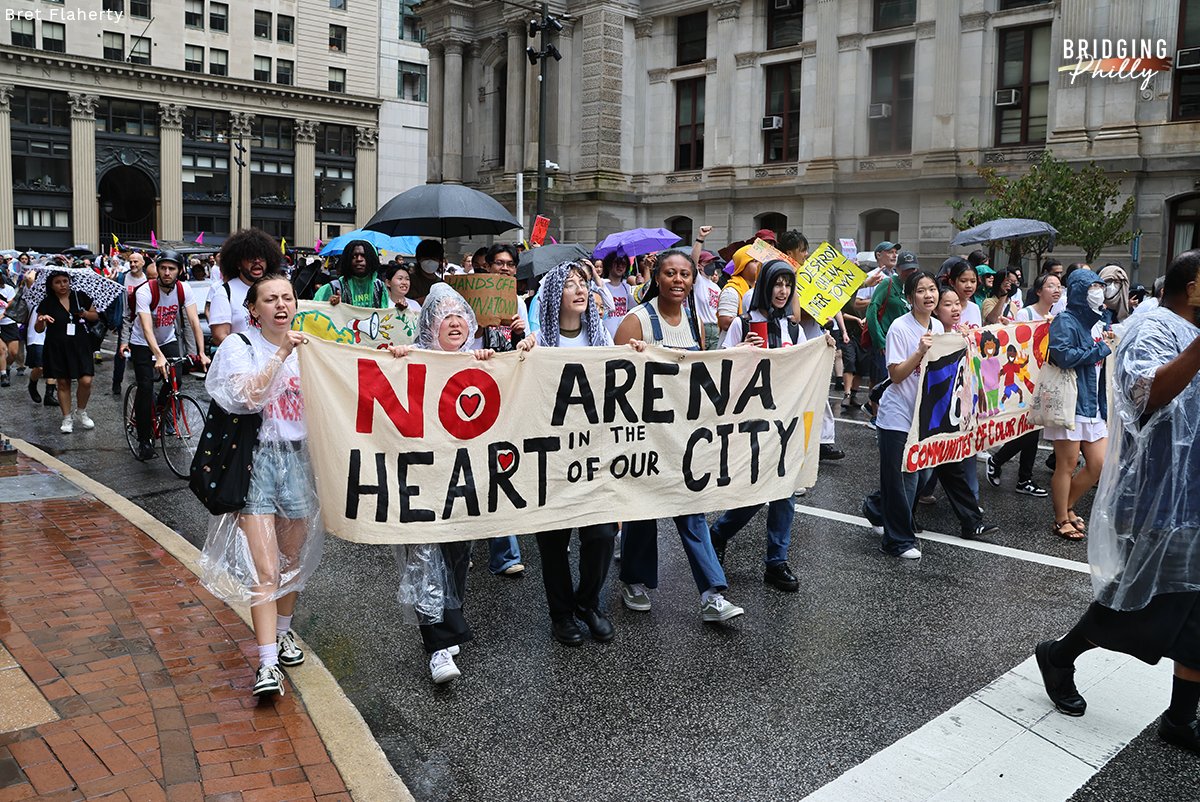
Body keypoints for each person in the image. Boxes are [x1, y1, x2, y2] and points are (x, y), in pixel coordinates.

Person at [1034, 249, 1200, 755]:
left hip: (1194, 495)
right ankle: (1060, 655)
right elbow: (1143, 397)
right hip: (1160, 499)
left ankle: (1178, 718)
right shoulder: (1152, 328)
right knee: (1137, 604)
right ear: (1193, 287)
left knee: (1195, 610)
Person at [386, 284, 533, 682]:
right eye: (443, 315)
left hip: (462, 480)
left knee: (455, 556)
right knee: (424, 557)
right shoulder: (409, 358)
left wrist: (496, 363)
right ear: (429, 323)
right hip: (419, 477)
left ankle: (449, 623)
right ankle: (437, 647)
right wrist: (394, 360)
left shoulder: (480, 360)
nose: (453, 322)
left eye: (459, 315)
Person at [200, 273, 324, 698]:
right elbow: (246, 397)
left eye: (288, 297)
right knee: (266, 569)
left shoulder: (312, 344)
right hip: (255, 463)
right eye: (270, 299)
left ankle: (285, 633)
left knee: (293, 561)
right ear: (253, 310)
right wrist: (281, 353)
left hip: (298, 458)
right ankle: (267, 663)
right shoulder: (239, 346)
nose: (281, 305)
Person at [614, 250, 745, 622]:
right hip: (645, 435)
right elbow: (612, 381)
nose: (677, 280)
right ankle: (635, 581)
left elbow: (701, 375)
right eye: (670, 273)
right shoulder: (636, 321)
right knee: (643, 510)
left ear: (693, 280)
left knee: (692, 510)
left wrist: (738, 355)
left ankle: (712, 593)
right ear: (657, 277)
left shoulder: (696, 323)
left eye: (684, 274)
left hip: (685, 436)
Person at [862, 271, 998, 558]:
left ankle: (876, 509)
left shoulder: (938, 324)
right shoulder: (900, 328)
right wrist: (920, 352)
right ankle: (897, 540)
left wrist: (961, 342)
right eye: (921, 291)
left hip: (925, 415)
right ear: (910, 298)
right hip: (897, 415)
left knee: (919, 475)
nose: (928, 295)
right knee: (906, 478)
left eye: (932, 289)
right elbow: (896, 375)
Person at [528, 260, 621, 646]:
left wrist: (635, 355)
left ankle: (589, 602)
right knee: (553, 540)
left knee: (600, 535)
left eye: (583, 283)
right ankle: (561, 614)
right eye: (569, 284)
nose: (580, 290)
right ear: (554, 296)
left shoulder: (601, 341)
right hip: (552, 457)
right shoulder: (540, 343)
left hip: (595, 454)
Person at [711, 260, 810, 592]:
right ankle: (720, 532)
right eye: (776, 284)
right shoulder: (743, 323)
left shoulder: (794, 328)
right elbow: (719, 368)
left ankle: (776, 561)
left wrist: (822, 349)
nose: (782, 291)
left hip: (784, 419)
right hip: (749, 420)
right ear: (764, 286)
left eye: (787, 285)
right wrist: (742, 352)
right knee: (756, 488)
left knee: (784, 489)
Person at [1045, 268, 1116, 540]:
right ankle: (1061, 518)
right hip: (1070, 401)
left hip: (1093, 403)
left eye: (1100, 286)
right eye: (1092, 288)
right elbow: (1062, 355)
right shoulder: (1065, 320)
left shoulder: (1097, 322)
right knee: (1067, 463)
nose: (1098, 292)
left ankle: (1068, 505)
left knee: (1098, 463)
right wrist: (1100, 349)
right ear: (1078, 291)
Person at [986, 272, 1062, 498]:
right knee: (1028, 429)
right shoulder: (1026, 313)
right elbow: (1013, 345)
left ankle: (1020, 475)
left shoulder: (1055, 316)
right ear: (1039, 291)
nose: (1057, 290)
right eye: (1051, 286)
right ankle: (1010, 469)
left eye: (1059, 286)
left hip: (1044, 379)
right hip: (1024, 378)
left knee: (1034, 428)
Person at [129, 251, 210, 461]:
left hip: (167, 339)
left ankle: (157, 410)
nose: (166, 272)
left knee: (177, 380)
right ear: (157, 269)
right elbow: (146, 329)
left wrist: (201, 352)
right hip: (142, 343)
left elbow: (194, 322)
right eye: (163, 268)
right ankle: (144, 440)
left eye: (171, 268)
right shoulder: (145, 291)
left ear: (180, 271)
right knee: (145, 387)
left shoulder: (184, 289)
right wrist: (158, 356)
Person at [34, 271, 100, 434]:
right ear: (51, 285)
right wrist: (41, 320)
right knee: (63, 382)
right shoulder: (47, 302)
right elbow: (38, 328)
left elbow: (95, 316)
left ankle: (81, 411)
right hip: (57, 346)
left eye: (65, 281)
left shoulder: (80, 296)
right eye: (58, 282)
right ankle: (66, 417)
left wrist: (83, 313)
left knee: (86, 380)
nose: (62, 285)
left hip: (81, 344)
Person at [209, 228, 281, 346]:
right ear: (238, 263)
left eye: (262, 257)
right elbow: (219, 336)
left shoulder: (276, 289)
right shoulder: (225, 293)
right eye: (251, 258)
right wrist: (245, 353)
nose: (257, 261)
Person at [313, 240, 386, 307]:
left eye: (364, 255)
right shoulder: (332, 288)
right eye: (354, 256)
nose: (359, 259)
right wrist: (328, 306)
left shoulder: (380, 287)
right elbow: (314, 313)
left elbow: (387, 316)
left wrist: (397, 310)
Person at [717, 245, 758, 333]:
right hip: (734, 345)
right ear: (742, 265)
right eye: (754, 261)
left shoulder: (758, 289)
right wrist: (757, 320)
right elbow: (725, 323)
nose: (759, 264)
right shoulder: (731, 290)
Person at [947, 258, 983, 328]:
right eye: (963, 281)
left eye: (973, 281)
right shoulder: (944, 309)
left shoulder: (975, 308)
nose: (969, 286)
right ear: (952, 282)